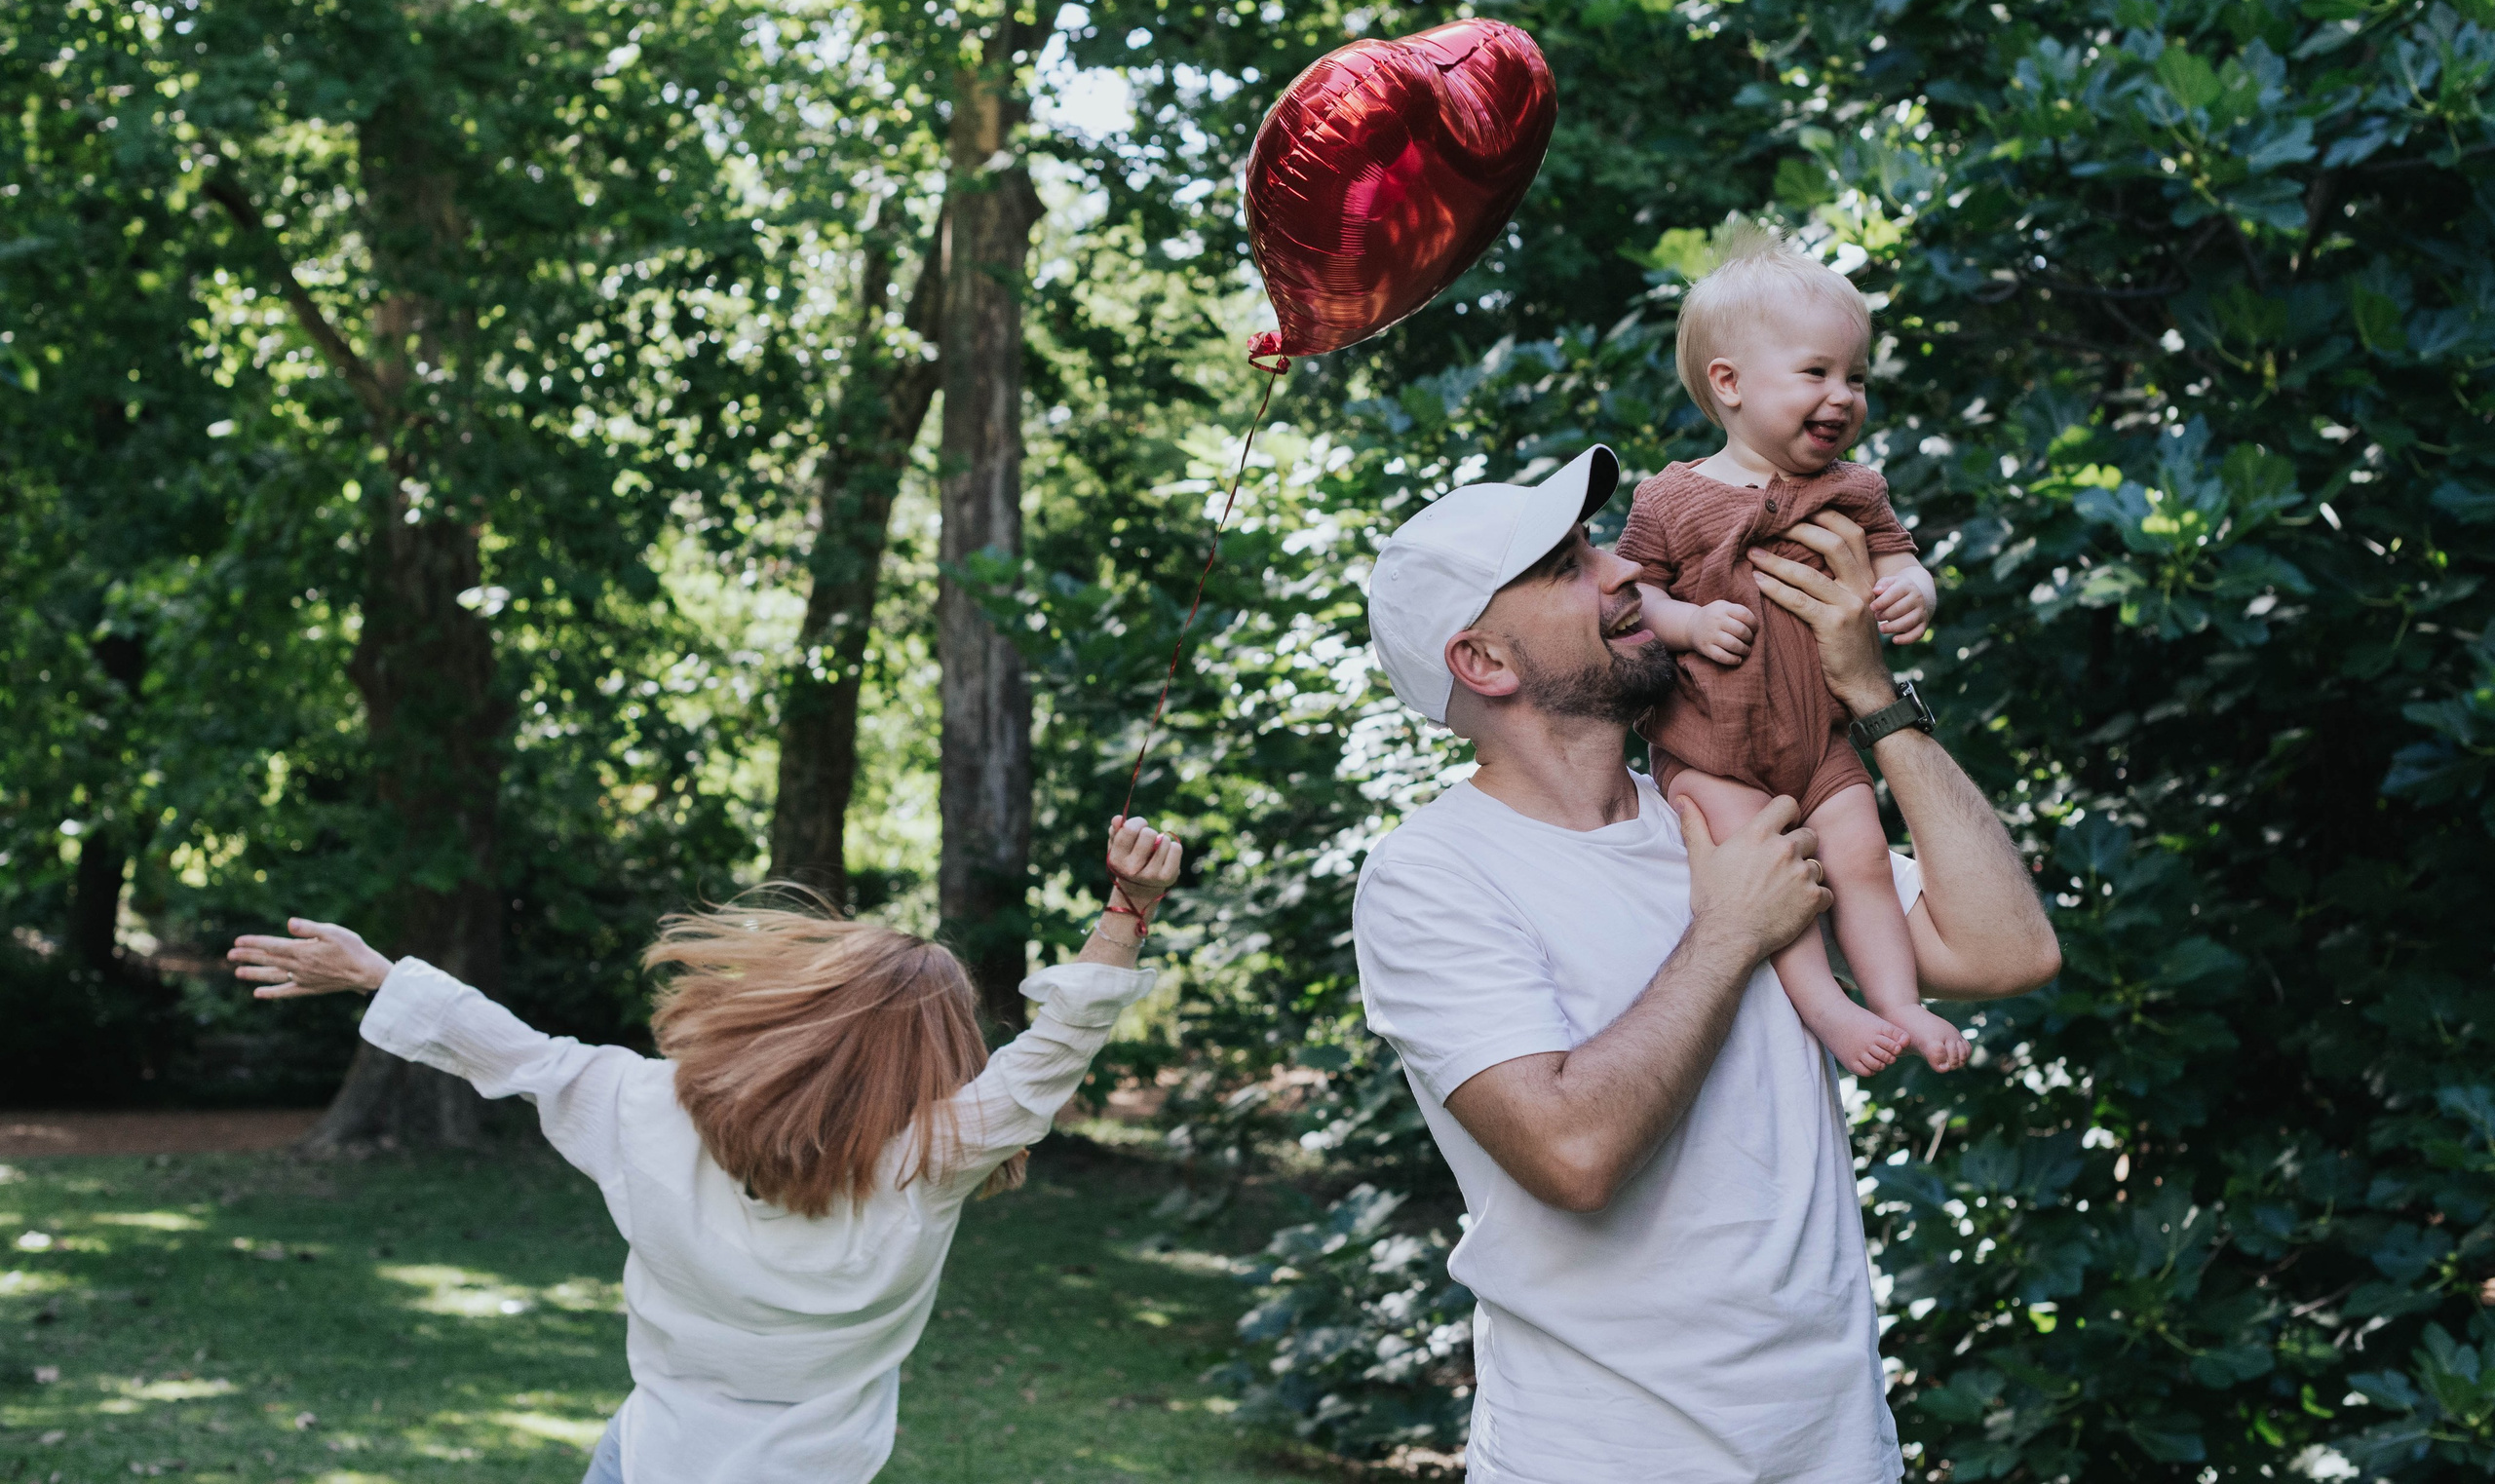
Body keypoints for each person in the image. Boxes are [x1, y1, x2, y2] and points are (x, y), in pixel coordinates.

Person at [1355, 442, 2059, 1484]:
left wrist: (1870, 694)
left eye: (1595, 545)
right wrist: (1729, 929)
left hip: (1834, 1451)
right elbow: (1572, 1153)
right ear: (1484, 663)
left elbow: (2010, 948)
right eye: (1564, 567)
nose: (1623, 571)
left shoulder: (1734, 804)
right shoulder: (1431, 875)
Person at [225, 816, 1186, 1484]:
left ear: (800, 1014)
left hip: (647, 1460)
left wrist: (376, 972)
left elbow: (513, 1050)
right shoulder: (930, 1160)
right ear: (934, 1058)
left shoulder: (645, 1107)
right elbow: (1045, 1063)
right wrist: (1125, 911)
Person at [1618, 228, 1962, 1076]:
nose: (1842, 396)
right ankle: (1830, 1012)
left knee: (1863, 858)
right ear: (1727, 383)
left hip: (1818, 744)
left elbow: (1901, 559)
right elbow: (1632, 596)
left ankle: (1899, 1002)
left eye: (1857, 378)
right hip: (1710, 748)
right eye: (1816, 372)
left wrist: (1911, 591)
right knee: (1764, 884)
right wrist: (1690, 625)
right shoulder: (1671, 496)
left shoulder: (1857, 488)